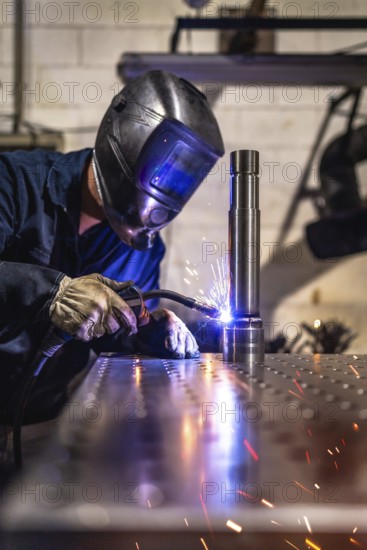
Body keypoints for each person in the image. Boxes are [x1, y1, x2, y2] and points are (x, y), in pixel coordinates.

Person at [0, 70, 224, 422]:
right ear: (125, 141)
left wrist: (149, 333)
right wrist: (49, 292)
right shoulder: (13, 183)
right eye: (161, 171)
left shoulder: (144, 249)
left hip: (40, 420)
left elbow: (110, 335)